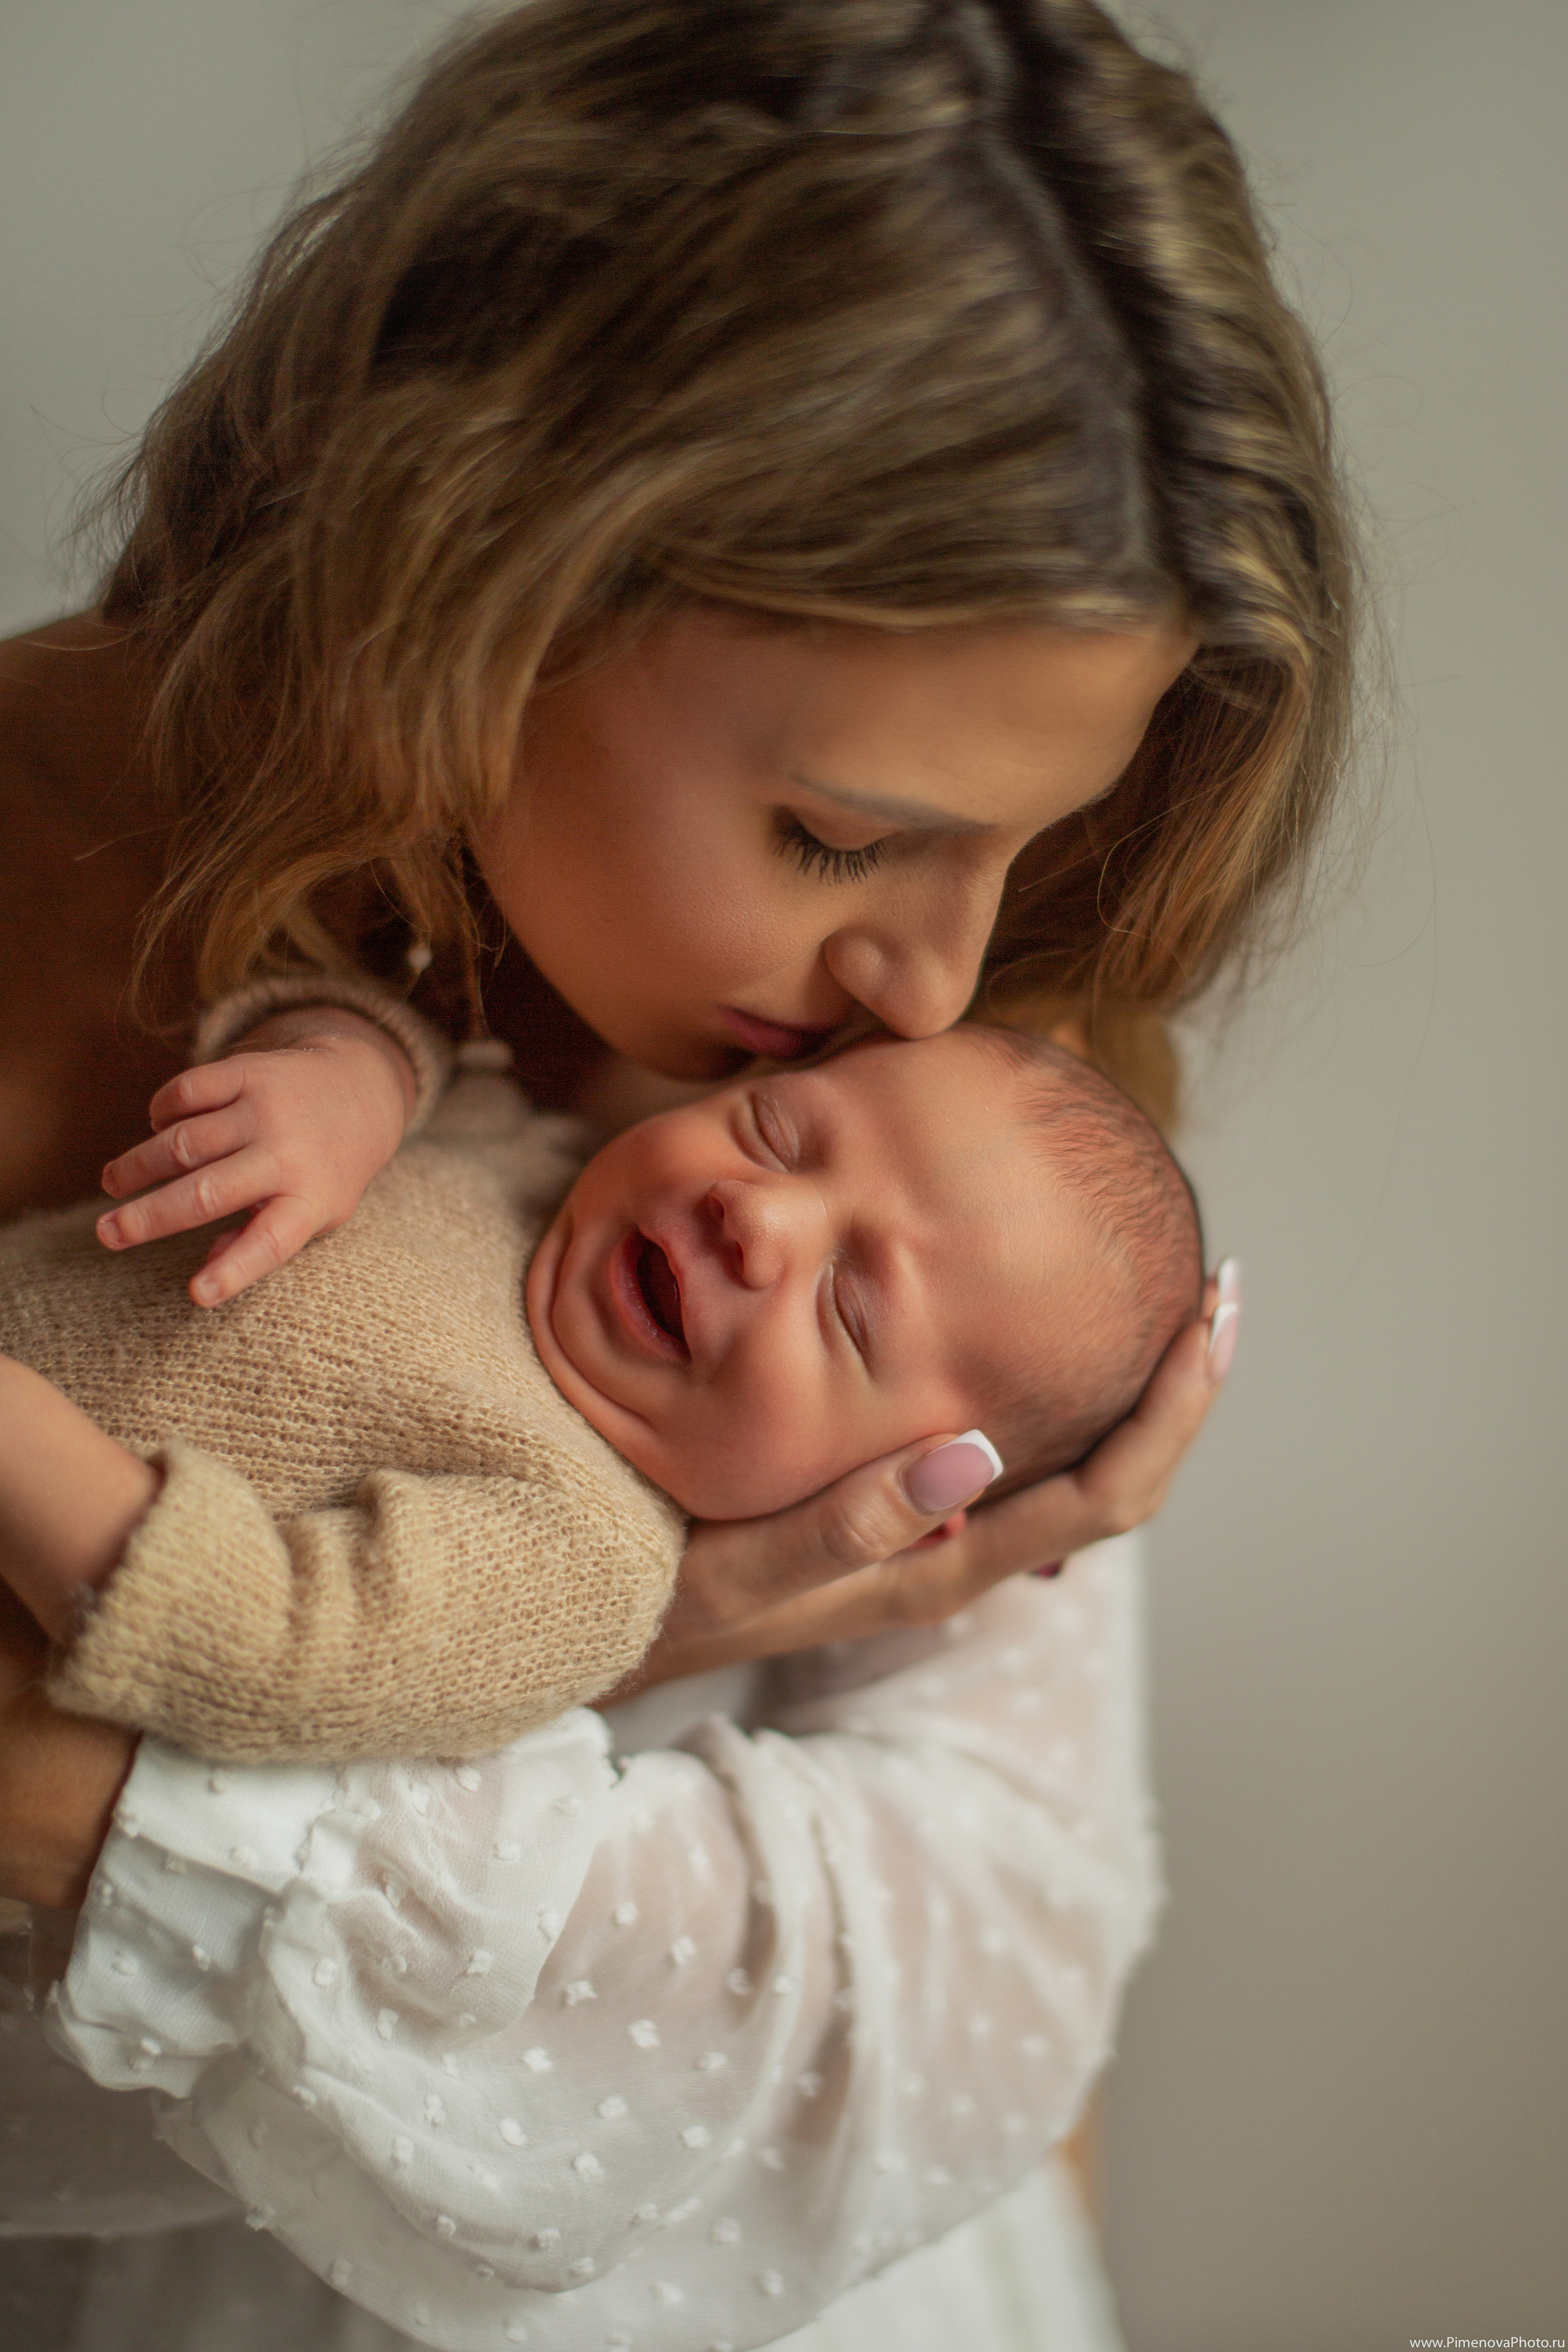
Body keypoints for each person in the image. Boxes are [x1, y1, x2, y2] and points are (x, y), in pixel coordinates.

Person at [0, 1, 1357, 2344]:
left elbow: (978, 1992)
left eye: (1033, 843)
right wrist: (650, 1626)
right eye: (841, 832)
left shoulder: (893, 1077)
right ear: (483, 554)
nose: (941, 982)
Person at [0, 1021, 1200, 1761]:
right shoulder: (532, 1156)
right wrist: (351, 1067)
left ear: (889, 1492)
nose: (759, 1213)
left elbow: (263, 1649)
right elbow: (409, 1023)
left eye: (848, 1307)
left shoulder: (577, 1555)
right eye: (776, 1133)